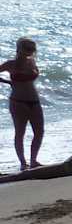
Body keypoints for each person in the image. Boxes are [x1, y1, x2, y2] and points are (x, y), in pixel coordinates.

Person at [0, 106, 72, 183]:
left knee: (29, 174)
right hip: (69, 164)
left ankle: (4, 179)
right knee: (31, 172)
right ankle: (5, 177)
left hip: (71, 168)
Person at [1, 37, 42, 171]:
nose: (31, 51)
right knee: (20, 132)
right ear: (19, 49)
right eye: (27, 48)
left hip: (34, 100)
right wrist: (7, 82)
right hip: (18, 102)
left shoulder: (32, 62)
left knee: (39, 132)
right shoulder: (10, 64)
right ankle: (23, 163)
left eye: (32, 48)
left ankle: (33, 160)